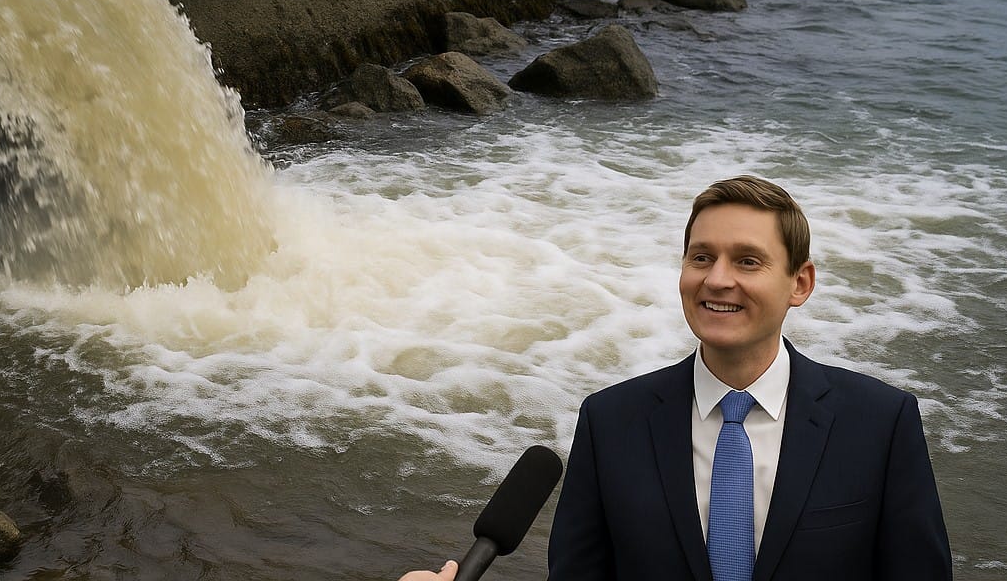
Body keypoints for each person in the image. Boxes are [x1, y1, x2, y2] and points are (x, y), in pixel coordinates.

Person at [398, 175, 951, 581]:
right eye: (701, 257)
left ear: (800, 283)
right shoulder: (610, 422)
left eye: (748, 261)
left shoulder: (880, 422)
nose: (717, 280)